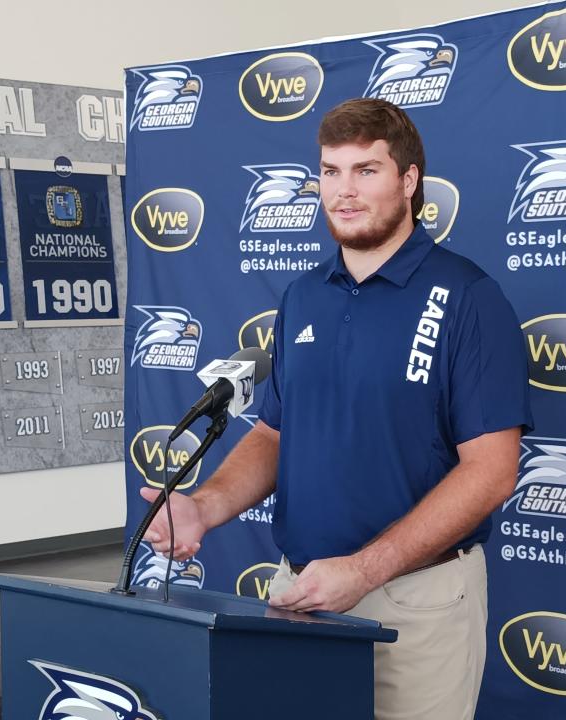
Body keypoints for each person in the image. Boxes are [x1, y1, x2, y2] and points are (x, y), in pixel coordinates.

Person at [141, 97, 533, 720]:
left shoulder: (467, 297)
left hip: (415, 603)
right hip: (300, 592)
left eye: (366, 171)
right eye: (330, 171)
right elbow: (273, 435)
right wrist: (205, 507)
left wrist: (364, 570)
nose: (343, 192)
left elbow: (491, 470)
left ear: (408, 181)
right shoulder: (303, 296)